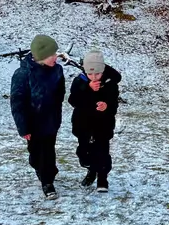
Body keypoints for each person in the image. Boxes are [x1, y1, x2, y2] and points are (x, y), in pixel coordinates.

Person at [10, 34, 65, 200]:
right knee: (36, 153)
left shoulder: (57, 70)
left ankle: (48, 181)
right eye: (52, 55)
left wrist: (55, 111)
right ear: (40, 57)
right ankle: (40, 169)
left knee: (48, 151)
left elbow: (60, 93)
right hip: (33, 122)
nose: (56, 57)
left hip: (51, 120)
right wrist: (23, 127)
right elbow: (17, 103)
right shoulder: (23, 74)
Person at [68, 50, 121, 192]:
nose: (94, 77)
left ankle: (102, 178)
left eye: (97, 74)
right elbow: (73, 100)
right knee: (84, 153)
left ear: (103, 70)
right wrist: (87, 88)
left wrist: (107, 106)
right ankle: (91, 170)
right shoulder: (80, 81)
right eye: (90, 74)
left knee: (102, 152)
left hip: (103, 125)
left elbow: (114, 104)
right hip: (83, 124)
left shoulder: (110, 83)